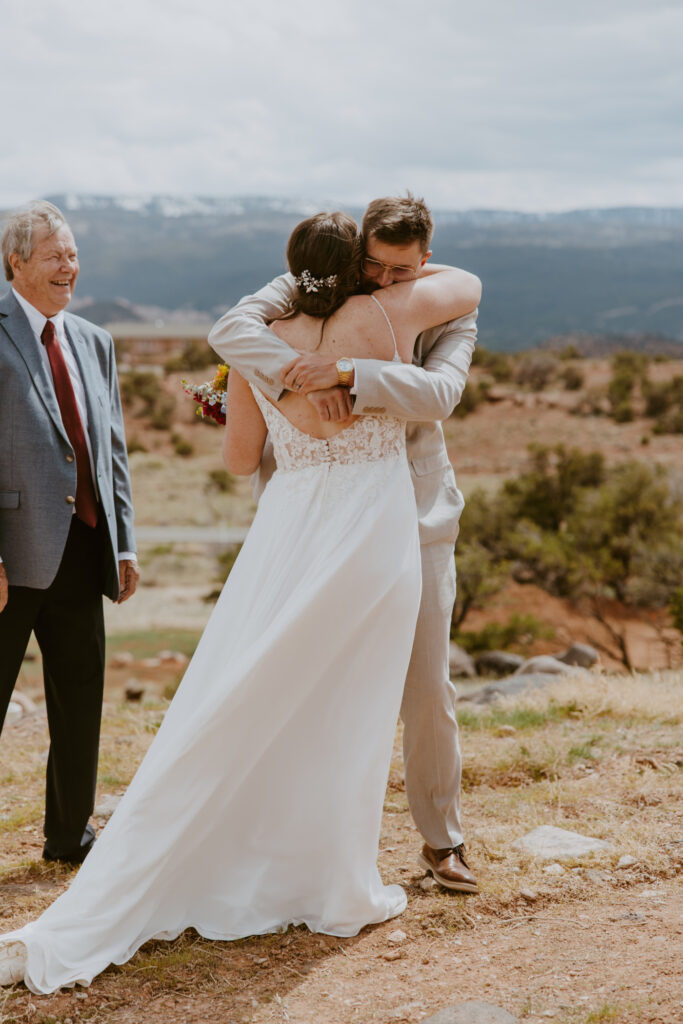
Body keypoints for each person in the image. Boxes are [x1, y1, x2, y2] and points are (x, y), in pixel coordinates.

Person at [0, 210, 480, 992]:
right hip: (371, 529)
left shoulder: (261, 344)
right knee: (348, 703)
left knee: (255, 685)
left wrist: (246, 396)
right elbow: (458, 308)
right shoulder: (387, 317)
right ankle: (328, 870)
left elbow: (236, 461)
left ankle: (251, 843)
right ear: (360, 266)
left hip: (290, 533)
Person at [208, 194, 480, 893]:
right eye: (375, 265)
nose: (385, 281)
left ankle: (441, 841)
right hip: (327, 516)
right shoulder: (319, 282)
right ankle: (293, 844)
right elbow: (233, 327)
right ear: (357, 251)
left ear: (423, 261)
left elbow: (441, 393)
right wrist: (295, 376)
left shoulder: (447, 304)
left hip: (415, 514)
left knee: (426, 685)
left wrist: (349, 373)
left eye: (400, 270)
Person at [0, 200, 139, 867]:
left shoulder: (95, 342)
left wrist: (124, 541)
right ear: (15, 261)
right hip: (10, 556)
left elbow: (109, 450)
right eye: (54, 255)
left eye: (74, 254)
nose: (68, 267)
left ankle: (69, 836)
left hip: (83, 550)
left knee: (80, 698)